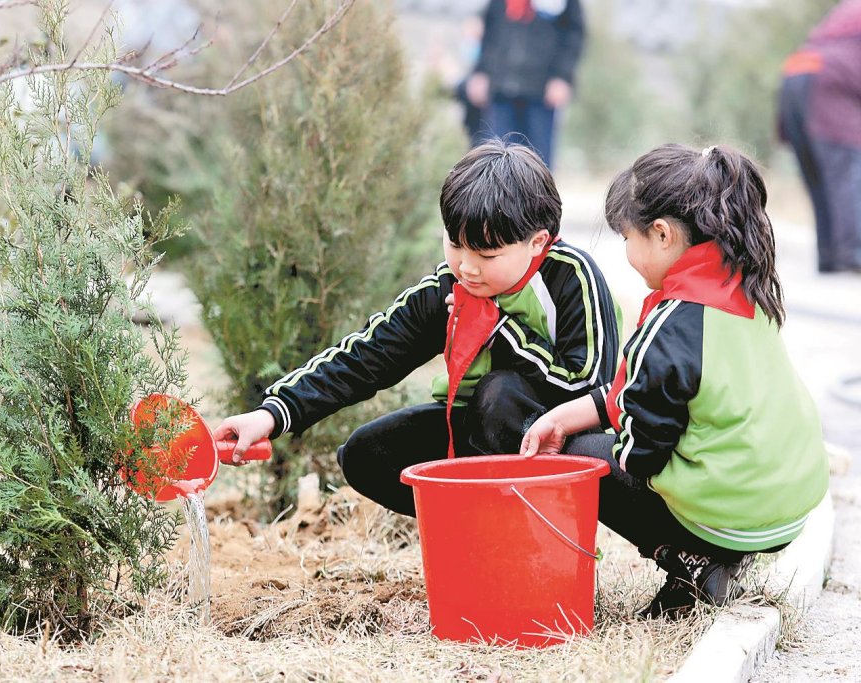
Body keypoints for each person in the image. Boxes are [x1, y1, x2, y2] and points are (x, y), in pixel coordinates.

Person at [215, 139, 621, 517]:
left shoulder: (571, 277)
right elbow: (366, 356)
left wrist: (497, 330)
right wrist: (271, 414)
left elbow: (590, 386)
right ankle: (471, 525)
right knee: (364, 454)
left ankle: (527, 525)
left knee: (500, 394)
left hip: (553, 445)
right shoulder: (449, 287)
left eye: (487, 254)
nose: (466, 266)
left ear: (537, 242)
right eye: (455, 244)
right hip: (471, 434)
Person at [522, 144, 830, 618]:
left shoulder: (672, 323)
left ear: (661, 235)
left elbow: (642, 455)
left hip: (731, 517)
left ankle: (691, 561)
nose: (625, 250)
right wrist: (568, 414)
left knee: (581, 456)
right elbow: (643, 387)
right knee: (600, 435)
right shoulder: (743, 283)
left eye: (627, 236)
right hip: (786, 515)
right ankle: (718, 555)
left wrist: (595, 440)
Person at [777, 0, 861, 273]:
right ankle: (851, 255)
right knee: (847, 169)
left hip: (797, 70)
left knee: (819, 174)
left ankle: (830, 257)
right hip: (829, 78)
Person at [465, 0, 584, 168]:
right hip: (501, 88)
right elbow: (490, 29)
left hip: (541, 91)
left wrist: (562, 77)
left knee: (537, 163)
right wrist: (481, 72)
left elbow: (574, 34)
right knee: (496, 160)